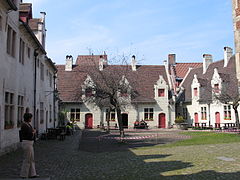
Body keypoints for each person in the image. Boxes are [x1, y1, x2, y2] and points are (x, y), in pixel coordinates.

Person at [20, 113, 39, 178]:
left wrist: (33, 132)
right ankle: (24, 174)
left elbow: (30, 132)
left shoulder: (28, 125)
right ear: (28, 118)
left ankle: (32, 174)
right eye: (30, 118)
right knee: (27, 159)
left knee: (31, 159)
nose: (31, 119)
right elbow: (27, 135)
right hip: (27, 143)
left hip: (30, 143)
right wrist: (33, 132)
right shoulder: (24, 125)